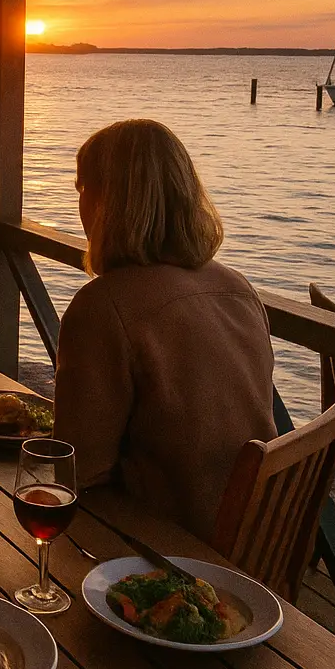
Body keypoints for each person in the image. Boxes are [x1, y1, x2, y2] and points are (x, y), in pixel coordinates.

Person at [52, 119, 275, 543]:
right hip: (254, 542)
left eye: (82, 189)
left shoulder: (103, 306)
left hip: (168, 556)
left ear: (107, 203)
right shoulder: (237, 287)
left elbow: (77, 471)